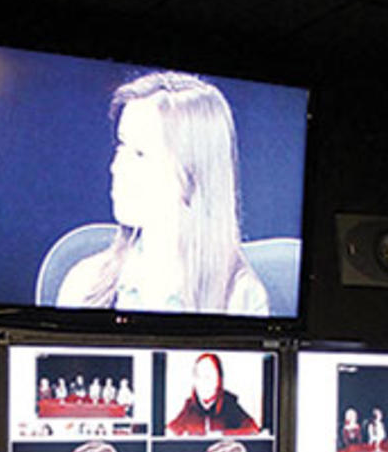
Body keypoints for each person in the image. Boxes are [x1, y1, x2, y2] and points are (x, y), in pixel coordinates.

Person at [55, 71, 268, 316]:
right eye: (122, 145)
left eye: (140, 154)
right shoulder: (84, 284)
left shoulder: (241, 298)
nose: (116, 167)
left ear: (194, 171)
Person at [167, 353, 260, 436]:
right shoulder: (190, 406)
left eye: (208, 377)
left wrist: (223, 435)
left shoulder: (229, 403)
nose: (203, 382)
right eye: (198, 376)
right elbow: (170, 432)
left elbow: (253, 430)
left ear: (218, 380)